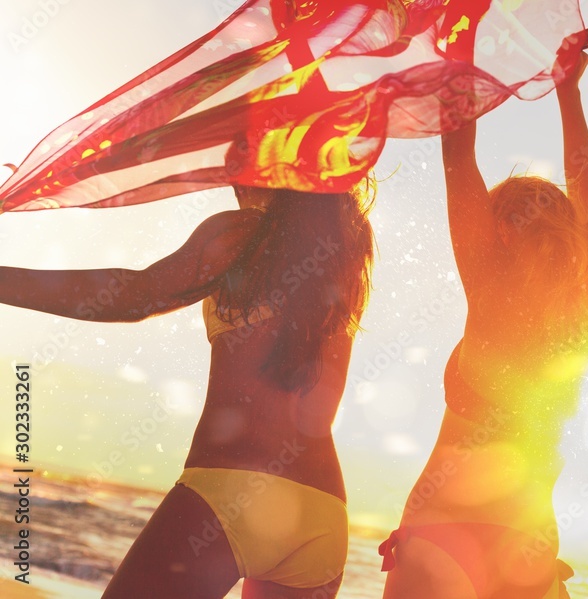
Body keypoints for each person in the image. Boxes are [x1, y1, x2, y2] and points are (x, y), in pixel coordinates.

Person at [0, 182, 375, 599]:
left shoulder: (242, 233)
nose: (230, 167)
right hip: (323, 517)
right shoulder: (341, 253)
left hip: (231, 494)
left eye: (242, 146)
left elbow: (134, 295)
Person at [379, 52, 588, 599]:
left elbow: (457, 156)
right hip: (527, 548)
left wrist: (460, 48)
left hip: (441, 536)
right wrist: (568, 92)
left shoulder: (491, 286)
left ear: (499, 234)